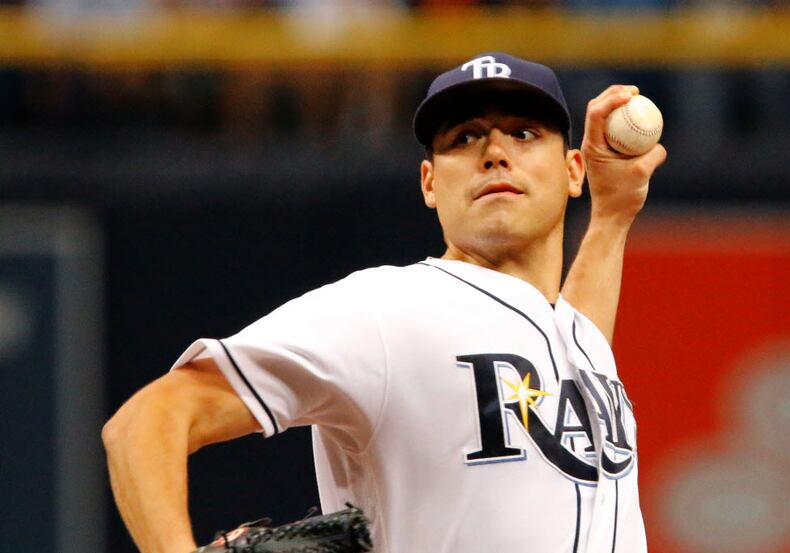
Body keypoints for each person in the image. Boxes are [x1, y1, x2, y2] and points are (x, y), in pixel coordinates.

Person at [103, 52, 667, 553]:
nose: (494, 152)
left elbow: (569, 340)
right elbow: (146, 421)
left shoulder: (573, 336)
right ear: (429, 183)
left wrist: (612, 216)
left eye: (524, 133)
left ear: (574, 171)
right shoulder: (386, 309)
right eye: (463, 138)